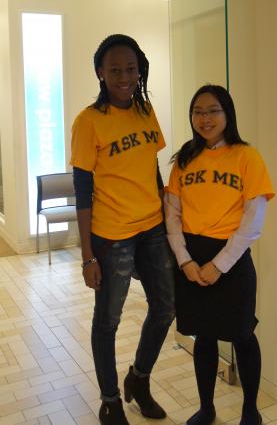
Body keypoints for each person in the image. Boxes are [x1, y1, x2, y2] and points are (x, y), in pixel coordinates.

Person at [70, 34, 175, 425]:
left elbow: (152, 169)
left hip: (152, 228)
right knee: (108, 320)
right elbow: (82, 192)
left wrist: (167, 221)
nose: (125, 76)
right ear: (100, 72)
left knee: (165, 308)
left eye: (131, 68)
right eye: (115, 69)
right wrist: (87, 257)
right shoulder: (88, 121)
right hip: (111, 235)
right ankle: (110, 400)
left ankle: (139, 379)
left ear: (139, 69)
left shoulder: (146, 111)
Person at [164, 84, 275, 425]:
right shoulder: (184, 158)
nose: (205, 118)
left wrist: (220, 264)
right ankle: (206, 407)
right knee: (204, 334)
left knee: (243, 334)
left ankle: (249, 409)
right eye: (198, 111)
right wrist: (184, 260)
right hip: (192, 258)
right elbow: (172, 214)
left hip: (231, 258)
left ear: (227, 113)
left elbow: (253, 219)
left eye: (213, 110)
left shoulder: (246, 156)